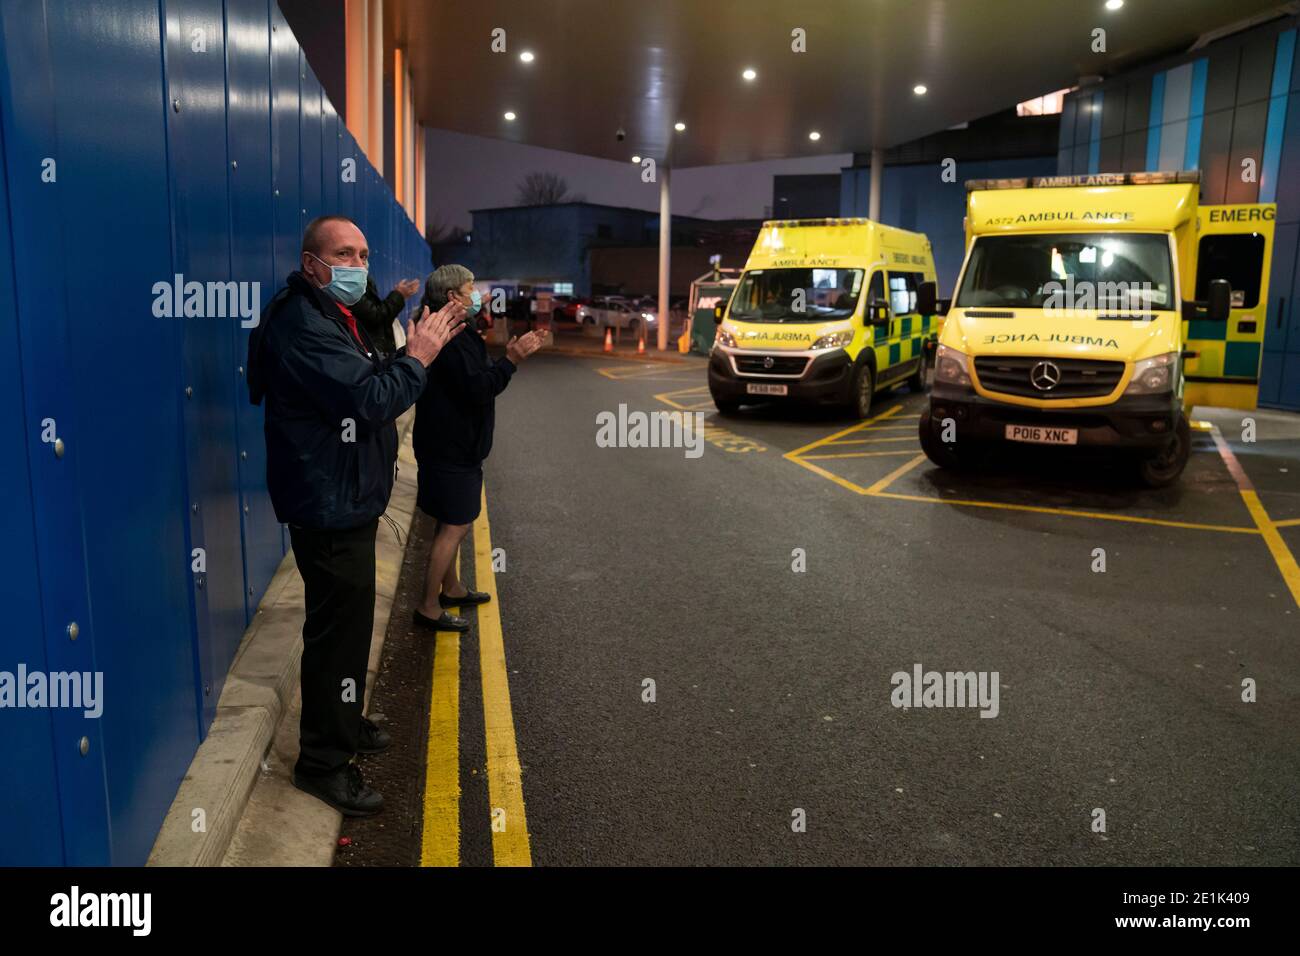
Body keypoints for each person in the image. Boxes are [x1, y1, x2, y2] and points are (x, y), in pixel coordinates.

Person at [247, 215, 466, 817]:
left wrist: (405, 354)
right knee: (336, 636)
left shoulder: (330, 313)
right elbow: (371, 400)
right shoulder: (302, 325)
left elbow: (367, 376)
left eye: (364, 254)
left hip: (347, 498)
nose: (359, 265)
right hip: (328, 503)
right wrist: (418, 356)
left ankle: (344, 719)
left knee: (347, 628)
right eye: (345, 254)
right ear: (313, 261)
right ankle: (322, 762)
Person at [411, 264, 545, 632]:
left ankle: (450, 588)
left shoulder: (452, 328)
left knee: (449, 522)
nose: (478, 294)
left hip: (449, 444)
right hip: (452, 448)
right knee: (455, 526)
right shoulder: (452, 337)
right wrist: (512, 360)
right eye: (471, 288)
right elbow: (478, 389)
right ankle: (427, 606)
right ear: (452, 296)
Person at [351, 275, 422, 355]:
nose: (362, 264)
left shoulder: (364, 282)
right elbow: (376, 315)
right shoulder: (352, 288)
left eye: (364, 261)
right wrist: (399, 295)